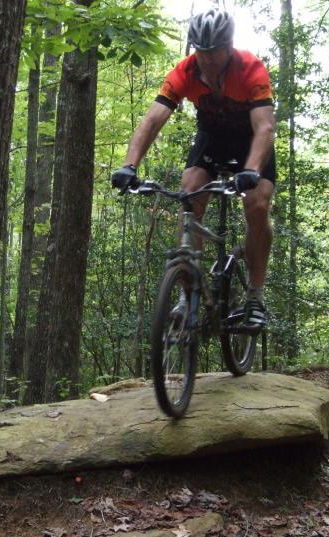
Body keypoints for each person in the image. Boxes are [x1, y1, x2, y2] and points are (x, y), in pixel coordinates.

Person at [111, 9, 276, 330]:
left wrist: (252, 170)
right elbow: (152, 119)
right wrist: (129, 165)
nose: (208, 59)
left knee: (257, 204)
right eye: (202, 51)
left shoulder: (251, 69)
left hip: (250, 141)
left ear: (229, 47)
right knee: (189, 195)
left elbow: (265, 128)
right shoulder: (184, 72)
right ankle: (189, 293)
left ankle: (255, 296)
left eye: (214, 51)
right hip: (212, 139)